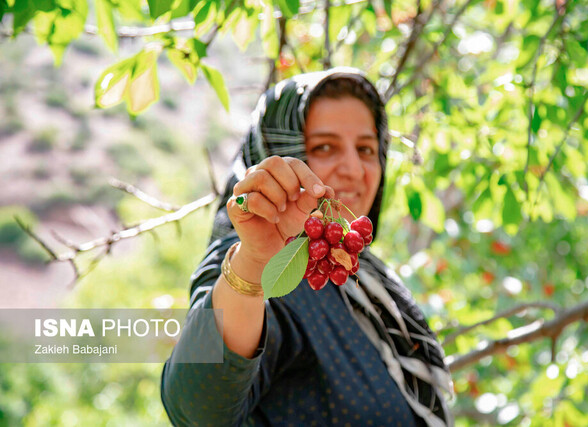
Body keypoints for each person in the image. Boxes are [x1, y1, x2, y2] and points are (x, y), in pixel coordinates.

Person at [161, 67, 454, 426]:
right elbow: (195, 409)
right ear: (281, 149)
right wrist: (252, 261)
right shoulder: (265, 267)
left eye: (366, 148)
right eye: (324, 147)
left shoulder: (370, 284)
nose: (353, 168)